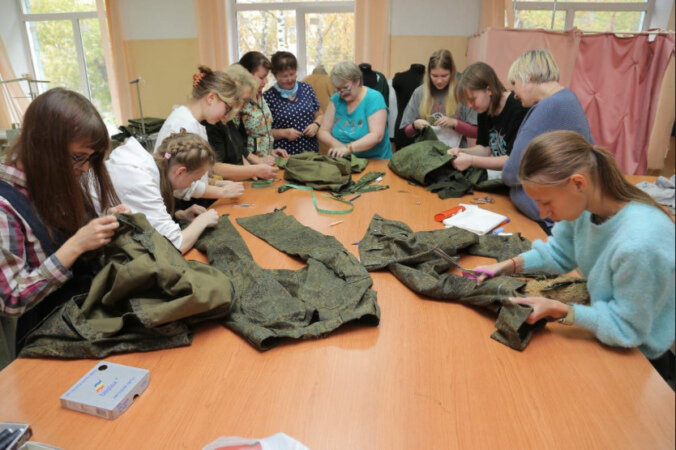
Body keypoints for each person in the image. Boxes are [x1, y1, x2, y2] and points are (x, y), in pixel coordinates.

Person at [472, 130, 675, 368]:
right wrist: (506, 266)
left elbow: (627, 329)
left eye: (546, 202)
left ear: (578, 183)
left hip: (639, 357)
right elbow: (559, 253)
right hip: (607, 324)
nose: (542, 214)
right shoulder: (587, 206)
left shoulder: (640, 244)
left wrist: (562, 311)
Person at [0, 88, 129, 367]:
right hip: (42, 344)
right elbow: (12, 299)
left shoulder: (50, 183)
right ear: (42, 145)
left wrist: (103, 224)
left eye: (90, 158)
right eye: (77, 157)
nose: (85, 168)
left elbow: (63, 236)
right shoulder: (4, 207)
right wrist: (76, 245)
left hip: (80, 322)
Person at [502, 49, 592, 230]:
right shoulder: (568, 98)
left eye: (514, 83)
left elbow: (512, 173)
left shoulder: (550, 106)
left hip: (560, 218)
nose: (514, 94)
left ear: (527, 77)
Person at [107, 130, 219, 254]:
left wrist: (180, 215)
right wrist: (202, 221)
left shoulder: (150, 168)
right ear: (180, 172)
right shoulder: (139, 180)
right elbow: (175, 245)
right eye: (194, 180)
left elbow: (149, 217)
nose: (191, 184)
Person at [155, 65, 251, 201]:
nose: (225, 116)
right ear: (211, 98)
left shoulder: (196, 123)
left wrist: (218, 183)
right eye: (227, 109)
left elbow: (195, 174)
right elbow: (179, 183)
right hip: (177, 204)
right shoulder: (183, 124)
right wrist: (222, 192)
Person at [203, 54, 282, 181]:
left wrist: (255, 166)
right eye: (241, 101)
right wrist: (252, 169)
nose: (241, 106)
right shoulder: (214, 122)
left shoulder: (226, 118)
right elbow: (215, 167)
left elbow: (238, 146)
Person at [448, 62, 529, 178]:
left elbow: (512, 160)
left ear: (489, 89)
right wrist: (461, 152)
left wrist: (471, 160)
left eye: (472, 99)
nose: (469, 106)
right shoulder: (484, 109)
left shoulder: (518, 108)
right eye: (467, 102)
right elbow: (484, 148)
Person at [399, 49, 477, 149]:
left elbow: (476, 132)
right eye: (434, 76)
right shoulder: (419, 93)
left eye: (444, 76)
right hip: (426, 152)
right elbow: (407, 131)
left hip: (455, 152)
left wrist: (455, 123)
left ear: (452, 73)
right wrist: (415, 125)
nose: (439, 81)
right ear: (428, 74)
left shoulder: (462, 93)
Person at [318, 61, 391, 159]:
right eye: (338, 89)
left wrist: (348, 148)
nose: (342, 93)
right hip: (346, 160)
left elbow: (377, 135)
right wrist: (338, 145)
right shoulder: (336, 100)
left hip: (375, 160)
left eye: (345, 88)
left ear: (358, 81)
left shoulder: (374, 98)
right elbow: (323, 131)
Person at [264, 51, 322, 155]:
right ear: (275, 76)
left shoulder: (306, 89)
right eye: (284, 76)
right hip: (284, 156)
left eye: (292, 74)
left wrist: (316, 125)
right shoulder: (268, 97)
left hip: (311, 153)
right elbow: (263, 132)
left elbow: (320, 115)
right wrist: (283, 133)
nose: (290, 79)